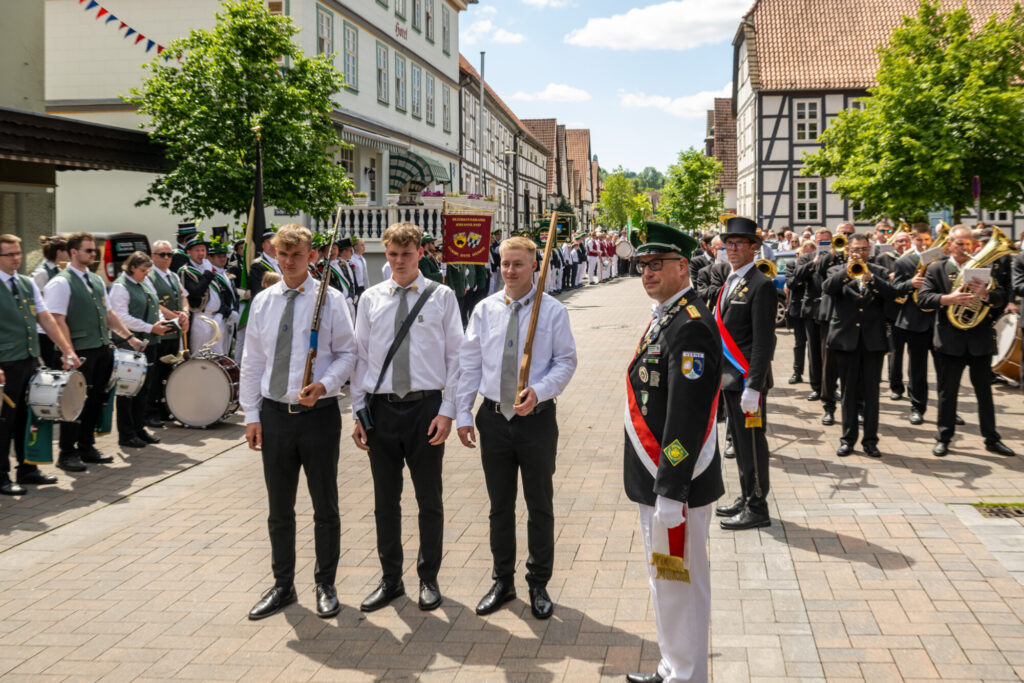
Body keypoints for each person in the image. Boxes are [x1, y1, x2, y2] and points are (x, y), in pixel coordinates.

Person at [620, 223, 723, 683]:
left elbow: (687, 415)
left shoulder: (690, 325)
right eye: (642, 265)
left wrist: (671, 489)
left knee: (679, 582)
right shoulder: (668, 314)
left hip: (676, 483)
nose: (647, 273)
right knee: (667, 580)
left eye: (656, 264)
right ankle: (674, 666)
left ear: (683, 266)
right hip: (659, 477)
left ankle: (685, 675)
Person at [456, 234, 577, 620]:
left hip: (535, 421)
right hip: (493, 419)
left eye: (518, 264)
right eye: (505, 263)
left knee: (539, 505)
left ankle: (538, 582)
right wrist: (463, 414)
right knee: (499, 506)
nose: (509, 270)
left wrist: (539, 392)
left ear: (533, 267)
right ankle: (502, 581)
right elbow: (470, 364)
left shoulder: (552, 311)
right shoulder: (485, 309)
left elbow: (566, 362)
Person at [240, 223, 357, 621]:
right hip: (275, 416)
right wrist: (251, 414)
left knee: (325, 505)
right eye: (283, 255)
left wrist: (324, 385)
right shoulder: (264, 302)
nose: (289, 262)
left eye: (297, 255)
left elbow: (347, 354)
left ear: (311, 257)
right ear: (275, 255)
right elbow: (253, 361)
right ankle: (282, 585)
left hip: (318, 417)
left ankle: (325, 583)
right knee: (279, 509)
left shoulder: (331, 299)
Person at [351, 222, 463, 613]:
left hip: (426, 408)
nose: (399, 261)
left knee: (429, 499)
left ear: (420, 254)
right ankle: (390, 579)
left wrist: (448, 411)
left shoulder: (442, 297)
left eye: (406, 254)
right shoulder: (370, 299)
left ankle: (429, 577)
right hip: (381, 409)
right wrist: (357, 411)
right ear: (386, 254)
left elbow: (456, 358)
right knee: (386, 501)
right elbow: (360, 357)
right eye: (393, 254)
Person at [43, 232, 144, 472]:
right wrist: (68, 353)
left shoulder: (96, 280)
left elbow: (109, 315)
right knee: (73, 403)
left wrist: (129, 337)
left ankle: (87, 447)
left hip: (100, 348)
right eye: (88, 250)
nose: (93, 255)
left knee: (95, 401)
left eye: (94, 251)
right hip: (78, 350)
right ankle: (67, 453)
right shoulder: (61, 281)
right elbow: (58, 320)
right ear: (73, 253)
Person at [917, 225, 1015, 458]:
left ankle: (992, 438)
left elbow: (1001, 298)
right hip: (950, 342)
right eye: (959, 244)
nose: (964, 248)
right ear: (949, 244)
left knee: (984, 393)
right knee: (947, 393)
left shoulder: (985, 269)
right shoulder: (937, 269)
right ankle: (943, 437)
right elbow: (923, 299)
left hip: (979, 341)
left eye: (968, 244)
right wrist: (948, 299)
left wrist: (986, 295)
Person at [711, 216, 777, 531]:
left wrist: (753, 386)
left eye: (739, 243)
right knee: (739, 441)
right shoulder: (731, 280)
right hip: (730, 380)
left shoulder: (761, 285)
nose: (732, 248)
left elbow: (765, 341)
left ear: (754, 248)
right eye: (729, 243)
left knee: (752, 443)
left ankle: (758, 505)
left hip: (748, 383)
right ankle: (746, 495)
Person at [0, 234, 80, 495]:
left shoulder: (25, 283)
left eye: (19, 252)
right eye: (10, 254)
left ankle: (28, 468)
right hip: (5, 362)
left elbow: (46, 318)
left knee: (30, 415)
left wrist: (67, 350)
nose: (16, 258)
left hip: (29, 358)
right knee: (4, 421)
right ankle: (1, 476)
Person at [823, 234, 899, 457]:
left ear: (870, 249)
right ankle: (848, 439)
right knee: (848, 393)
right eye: (856, 249)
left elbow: (892, 295)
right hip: (846, 341)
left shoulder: (880, 271)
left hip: (872, 342)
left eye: (864, 249)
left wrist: (871, 278)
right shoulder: (836, 270)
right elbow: (828, 288)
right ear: (848, 250)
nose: (860, 253)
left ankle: (870, 441)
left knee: (871, 394)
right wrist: (848, 273)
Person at [109, 251, 175, 448]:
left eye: (147, 271)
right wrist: (149, 328)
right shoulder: (121, 286)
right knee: (128, 389)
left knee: (144, 388)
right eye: (142, 271)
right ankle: (126, 433)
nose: (146, 274)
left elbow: (155, 308)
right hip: (129, 343)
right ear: (132, 268)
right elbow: (121, 317)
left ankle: (139, 428)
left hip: (149, 342)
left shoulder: (144, 283)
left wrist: (163, 322)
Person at [890, 224, 936, 424]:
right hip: (914, 321)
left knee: (945, 370)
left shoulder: (940, 261)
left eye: (927, 240)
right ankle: (917, 407)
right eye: (920, 240)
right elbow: (895, 289)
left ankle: (947, 408)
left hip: (937, 321)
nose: (924, 244)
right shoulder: (904, 261)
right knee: (917, 369)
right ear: (913, 240)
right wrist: (911, 284)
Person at [815, 222, 855, 424]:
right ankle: (828, 406)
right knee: (829, 367)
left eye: (849, 234)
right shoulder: (829, 256)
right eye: (842, 234)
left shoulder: (861, 257)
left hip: (854, 318)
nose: (846, 237)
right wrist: (832, 252)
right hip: (831, 315)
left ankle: (857, 407)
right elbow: (821, 275)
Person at [146, 241, 190, 424]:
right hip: (161, 329)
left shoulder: (173, 275)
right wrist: (175, 316)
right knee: (155, 372)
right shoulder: (149, 276)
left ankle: (165, 407)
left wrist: (186, 313)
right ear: (153, 256)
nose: (166, 258)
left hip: (176, 330)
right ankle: (150, 411)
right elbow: (154, 302)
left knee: (169, 371)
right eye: (161, 254)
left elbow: (183, 297)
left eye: (169, 255)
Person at [790, 229, 832, 403]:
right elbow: (797, 275)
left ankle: (830, 387)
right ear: (815, 242)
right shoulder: (807, 258)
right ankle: (816, 387)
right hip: (812, 309)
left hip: (831, 310)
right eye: (820, 241)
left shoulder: (836, 258)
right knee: (814, 351)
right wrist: (813, 263)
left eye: (826, 241)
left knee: (830, 353)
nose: (823, 244)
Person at [784, 240, 816, 384]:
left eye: (811, 254)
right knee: (799, 342)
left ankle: (815, 375)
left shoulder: (816, 266)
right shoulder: (792, 265)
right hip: (798, 308)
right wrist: (804, 276)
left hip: (812, 309)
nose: (808, 257)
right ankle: (797, 372)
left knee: (814, 344)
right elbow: (791, 283)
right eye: (806, 254)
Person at [208, 237, 240, 356]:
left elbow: (234, 295)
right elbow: (217, 297)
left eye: (224, 256)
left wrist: (235, 310)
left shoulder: (226, 273)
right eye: (219, 256)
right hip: (219, 317)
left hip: (230, 317)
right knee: (217, 351)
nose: (223, 259)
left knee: (227, 350)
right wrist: (228, 312)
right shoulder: (211, 275)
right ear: (210, 258)